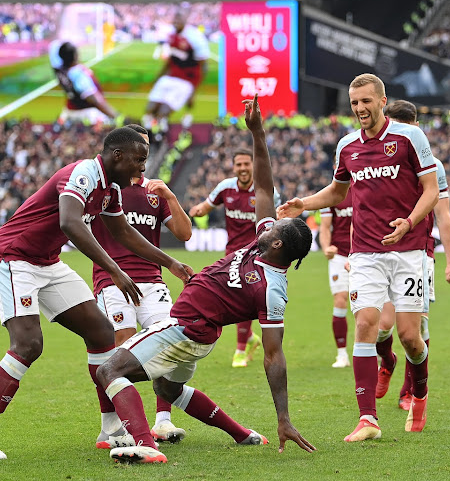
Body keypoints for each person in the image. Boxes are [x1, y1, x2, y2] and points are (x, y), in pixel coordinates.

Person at [97, 94, 316, 464]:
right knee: (168, 386)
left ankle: (143, 443)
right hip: (199, 338)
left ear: (277, 241)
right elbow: (264, 185)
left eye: (274, 224)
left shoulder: (271, 288)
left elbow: (274, 356)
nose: (268, 218)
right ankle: (242, 434)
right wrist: (257, 132)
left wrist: (284, 417)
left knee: (108, 369)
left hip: (183, 329)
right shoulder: (262, 244)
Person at [0, 126, 193, 460]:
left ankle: (110, 429)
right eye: (139, 160)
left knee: (101, 332)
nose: (143, 168)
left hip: (46, 261)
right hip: (13, 258)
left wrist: (170, 262)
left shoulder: (111, 187)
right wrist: (114, 269)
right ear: (118, 155)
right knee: (28, 344)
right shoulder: (83, 173)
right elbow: (70, 222)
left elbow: (122, 231)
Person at [277, 73, 439, 441]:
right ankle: (368, 419)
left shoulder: (410, 137)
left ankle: (421, 392)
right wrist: (305, 203)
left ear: (382, 101)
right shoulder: (347, 145)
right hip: (365, 252)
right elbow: (336, 192)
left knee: (410, 337)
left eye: (366, 101)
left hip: (409, 250)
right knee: (367, 323)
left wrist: (410, 220)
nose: (360, 109)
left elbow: (431, 191)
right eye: (354, 103)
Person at [90, 125, 193, 444]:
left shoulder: (154, 192)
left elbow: (184, 234)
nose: (143, 158)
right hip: (112, 281)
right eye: (138, 150)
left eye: (146, 150)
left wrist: (171, 196)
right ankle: (123, 426)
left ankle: (162, 421)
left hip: (153, 283)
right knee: (122, 346)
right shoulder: (102, 189)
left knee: (167, 344)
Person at [373, 100, 450, 409]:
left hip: (418, 254)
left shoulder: (431, 164)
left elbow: (444, 216)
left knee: (417, 330)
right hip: (381, 251)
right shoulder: (378, 156)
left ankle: (409, 391)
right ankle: (387, 362)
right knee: (380, 328)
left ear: (414, 128)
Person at [189, 150, 281, 368]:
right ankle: (248, 339)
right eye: (238, 164)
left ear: (253, 165)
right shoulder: (225, 187)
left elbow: (277, 218)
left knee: (246, 295)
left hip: (258, 253)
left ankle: (240, 349)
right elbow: (207, 205)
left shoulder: (267, 190)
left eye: (246, 164)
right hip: (232, 254)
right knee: (238, 298)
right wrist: (197, 211)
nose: (242, 168)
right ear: (234, 167)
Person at [143, 9, 210, 137]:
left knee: (164, 111)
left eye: (179, 20)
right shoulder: (171, 36)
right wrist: (158, 78)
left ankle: (160, 137)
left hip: (186, 81)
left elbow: (203, 66)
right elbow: (170, 62)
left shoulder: (195, 38)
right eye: (175, 20)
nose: (176, 22)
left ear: (185, 21)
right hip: (170, 77)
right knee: (150, 109)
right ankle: (149, 135)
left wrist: (193, 91)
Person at [318, 191, 354, 368]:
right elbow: (325, 227)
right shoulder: (332, 193)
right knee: (340, 300)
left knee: (368, 304)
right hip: (339, 255)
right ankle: (342, 355)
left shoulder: (366, 185)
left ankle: (376, 351)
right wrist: (326, 247)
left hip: (366, 253)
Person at [49, 40, 119, 125]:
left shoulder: (59, 70)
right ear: (75, 55)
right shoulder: (79, 75)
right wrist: (117, 116)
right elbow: (94, 100)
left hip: (70, 109)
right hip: (87, 114)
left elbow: (54, 51)